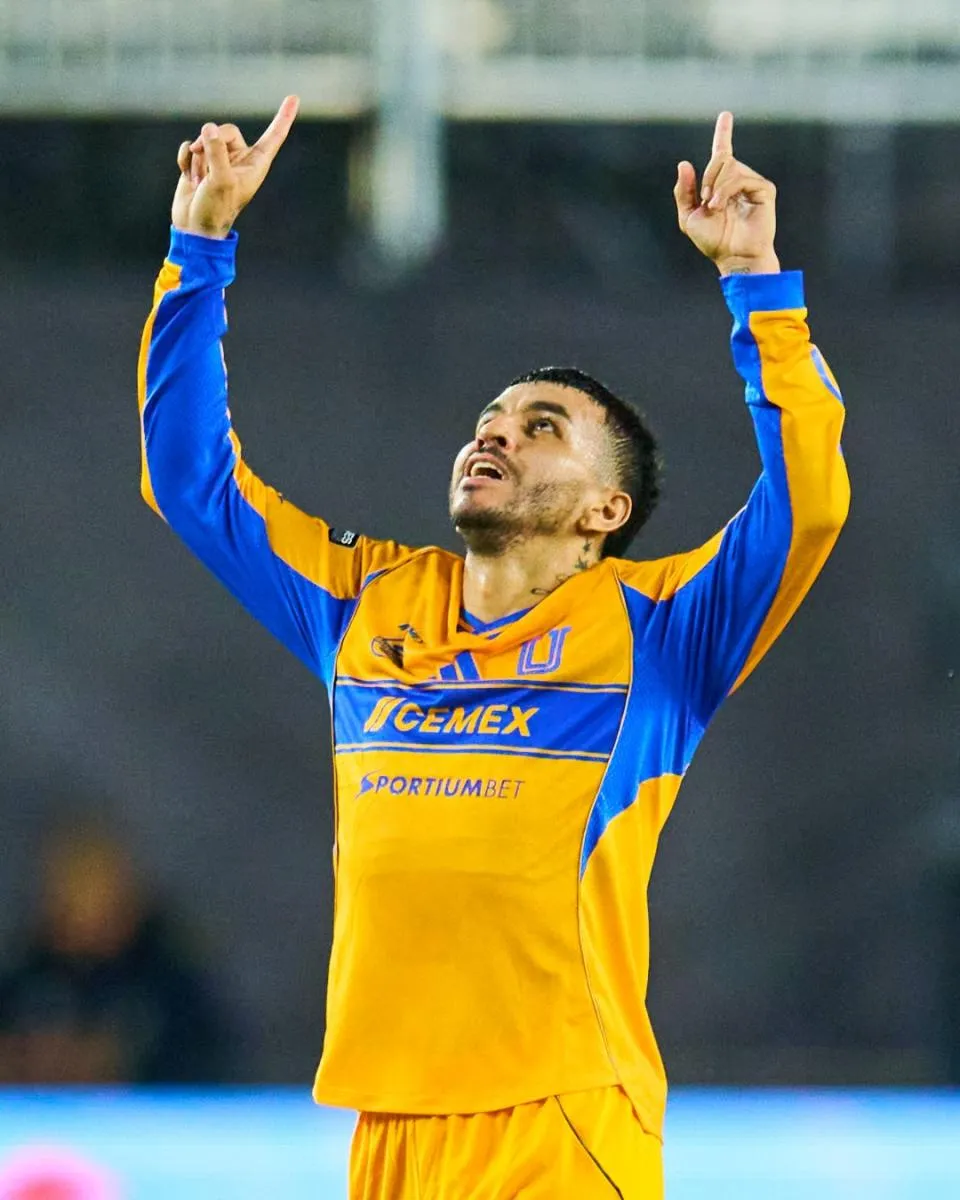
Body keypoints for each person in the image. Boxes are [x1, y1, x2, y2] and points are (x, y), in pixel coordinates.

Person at [137, 97, 849, 1198]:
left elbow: (808, 505)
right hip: (391, 1124)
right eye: (491, 421)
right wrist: (200, 249)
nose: (496, 434)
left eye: (541, 427)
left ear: (606, 511)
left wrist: (756, 283)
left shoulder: (660, 630)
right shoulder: (365, 603)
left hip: (558, 1118)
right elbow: (190, 481)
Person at [0, 825, 230, 1084]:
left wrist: (123, 1065)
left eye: (95, 887)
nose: (85, 909)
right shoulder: (26, 980)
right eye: (72, 890)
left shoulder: (168, 985)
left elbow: (209, 1064)